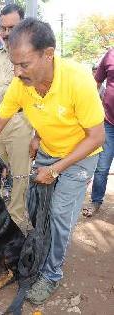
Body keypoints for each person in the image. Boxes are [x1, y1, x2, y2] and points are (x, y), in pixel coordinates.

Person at [0, 18, 105, 304]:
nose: (17, 73)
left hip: (81, 156)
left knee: (59, 215)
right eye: (14, 65)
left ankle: (51, 275)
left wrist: (56, 169)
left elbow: (97, 137)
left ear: (48, 54)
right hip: (47, 150)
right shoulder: (22, 84)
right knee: (36, 212)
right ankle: (36, 255)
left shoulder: (78, 80)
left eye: (24, 64)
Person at [0, 4, 32, 230]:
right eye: (3, 27)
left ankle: (16, 229)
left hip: (21, 122)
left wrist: (37, 135)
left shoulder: (32, 55)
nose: (6, 32)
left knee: (20, 178)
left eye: (12, 27)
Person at [83, 48, 114, 217]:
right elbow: (96, 82)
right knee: (102, 167)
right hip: (108, 122)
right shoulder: (110, 55)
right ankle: (96, 201)